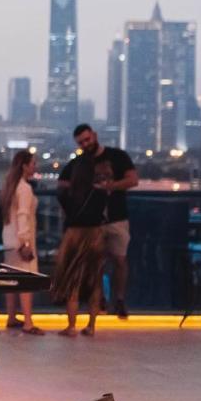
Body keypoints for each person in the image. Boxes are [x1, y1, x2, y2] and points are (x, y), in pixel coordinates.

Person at [79, 126, 139, 318]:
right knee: (96, 263)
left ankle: (119, 300)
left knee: (120, 260)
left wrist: (111, 186)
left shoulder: (118, 156)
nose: (85, 144)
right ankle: (99, 300)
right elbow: (66, 184)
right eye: (81, 142)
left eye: (87, 140)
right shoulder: (81, 163)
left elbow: (133, 180)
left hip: (117, 218)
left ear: (94, 136)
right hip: (93, 221)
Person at [0, 149, 43, 334]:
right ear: (25, 166)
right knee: (27, 280)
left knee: (11, 279)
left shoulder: (11, 186)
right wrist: (26, 242)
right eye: (33, 163)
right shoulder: (25, 188)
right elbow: (23, 215)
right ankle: (28, 322)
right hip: (20, 241)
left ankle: (11, 317)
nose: (35, 166)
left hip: (8, 239)